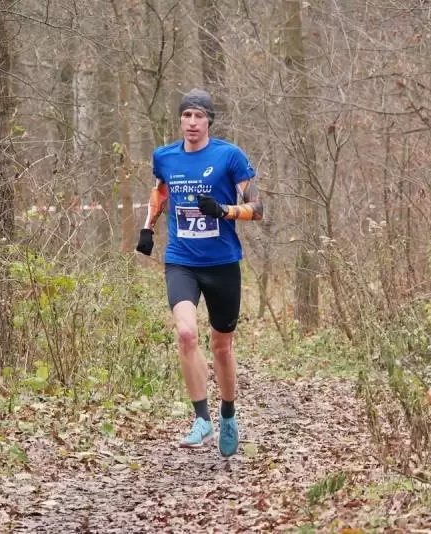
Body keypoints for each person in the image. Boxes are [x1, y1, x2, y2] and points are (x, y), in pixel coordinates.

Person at [135, 88, 263, 457]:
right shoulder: (165, 157)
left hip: (222, 264)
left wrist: (225, 210)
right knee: (187, 334)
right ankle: (201, 419)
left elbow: (258, 208)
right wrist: (147, 228)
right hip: (182, 260)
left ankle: (228, 414)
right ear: (180, 120)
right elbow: (161, 192)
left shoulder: (229, 156)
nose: (192, 123)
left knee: (221, 347)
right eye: (186, 116)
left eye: (199, 116)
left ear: (209, 121)